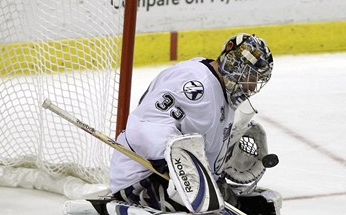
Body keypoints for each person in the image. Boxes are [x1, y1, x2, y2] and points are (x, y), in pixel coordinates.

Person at [109, 33, 279, 214]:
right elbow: (145, 126)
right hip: (143, 179)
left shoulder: (224, 90)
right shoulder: (195, 83)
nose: (252, 87)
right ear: (233, 62)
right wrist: (175, 161)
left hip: (188, 182)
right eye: (249, 76)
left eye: (256, 81)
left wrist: (224, 160)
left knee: (261, 207)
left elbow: (203, 140)